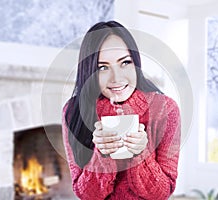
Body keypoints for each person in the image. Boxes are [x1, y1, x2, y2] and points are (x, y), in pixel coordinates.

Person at [62, 20, 181, 200]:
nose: (116, 77)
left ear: (135, 63)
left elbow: (162, 193)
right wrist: (102, 155)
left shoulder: (165, 110)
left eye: (125, 62)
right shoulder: (73, 112)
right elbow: (85, 195)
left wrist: (141, 154)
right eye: (102, 67)